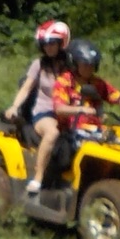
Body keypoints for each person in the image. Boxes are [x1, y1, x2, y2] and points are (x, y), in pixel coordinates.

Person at [49, 38, 120, 155]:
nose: (90, 68)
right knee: (115, 148)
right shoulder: (64, 82)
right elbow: (59, 109)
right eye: (85, 64)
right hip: (72, 132)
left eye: (92, 65)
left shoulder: (98, 83)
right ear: (74, 63)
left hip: (97, 129)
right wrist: (82, 110)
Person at [7, 21, 72, 195]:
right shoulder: (39, 65)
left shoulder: (71, 66)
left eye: (52, 43)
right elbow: (26, 88)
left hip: (69, 112)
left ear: (61, 43)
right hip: (45, 113)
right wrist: (14, 106)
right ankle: (38, 177)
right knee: (52, 133)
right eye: (45, 44)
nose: (48, 48)